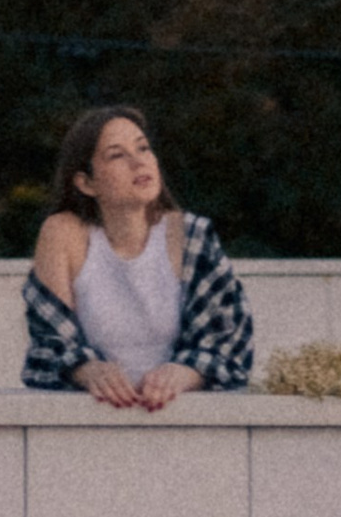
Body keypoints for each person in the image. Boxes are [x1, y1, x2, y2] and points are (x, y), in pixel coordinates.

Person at [22, 103, 255, 404]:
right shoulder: (62, 233)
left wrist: (185, 372)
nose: (138, 162)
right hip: (90, 418)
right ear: (86, 183)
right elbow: (48, 346)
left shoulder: (191, 235)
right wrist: (87, 370)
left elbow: (229, 347)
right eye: (117, 155)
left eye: (143, 149)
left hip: (181, 416)